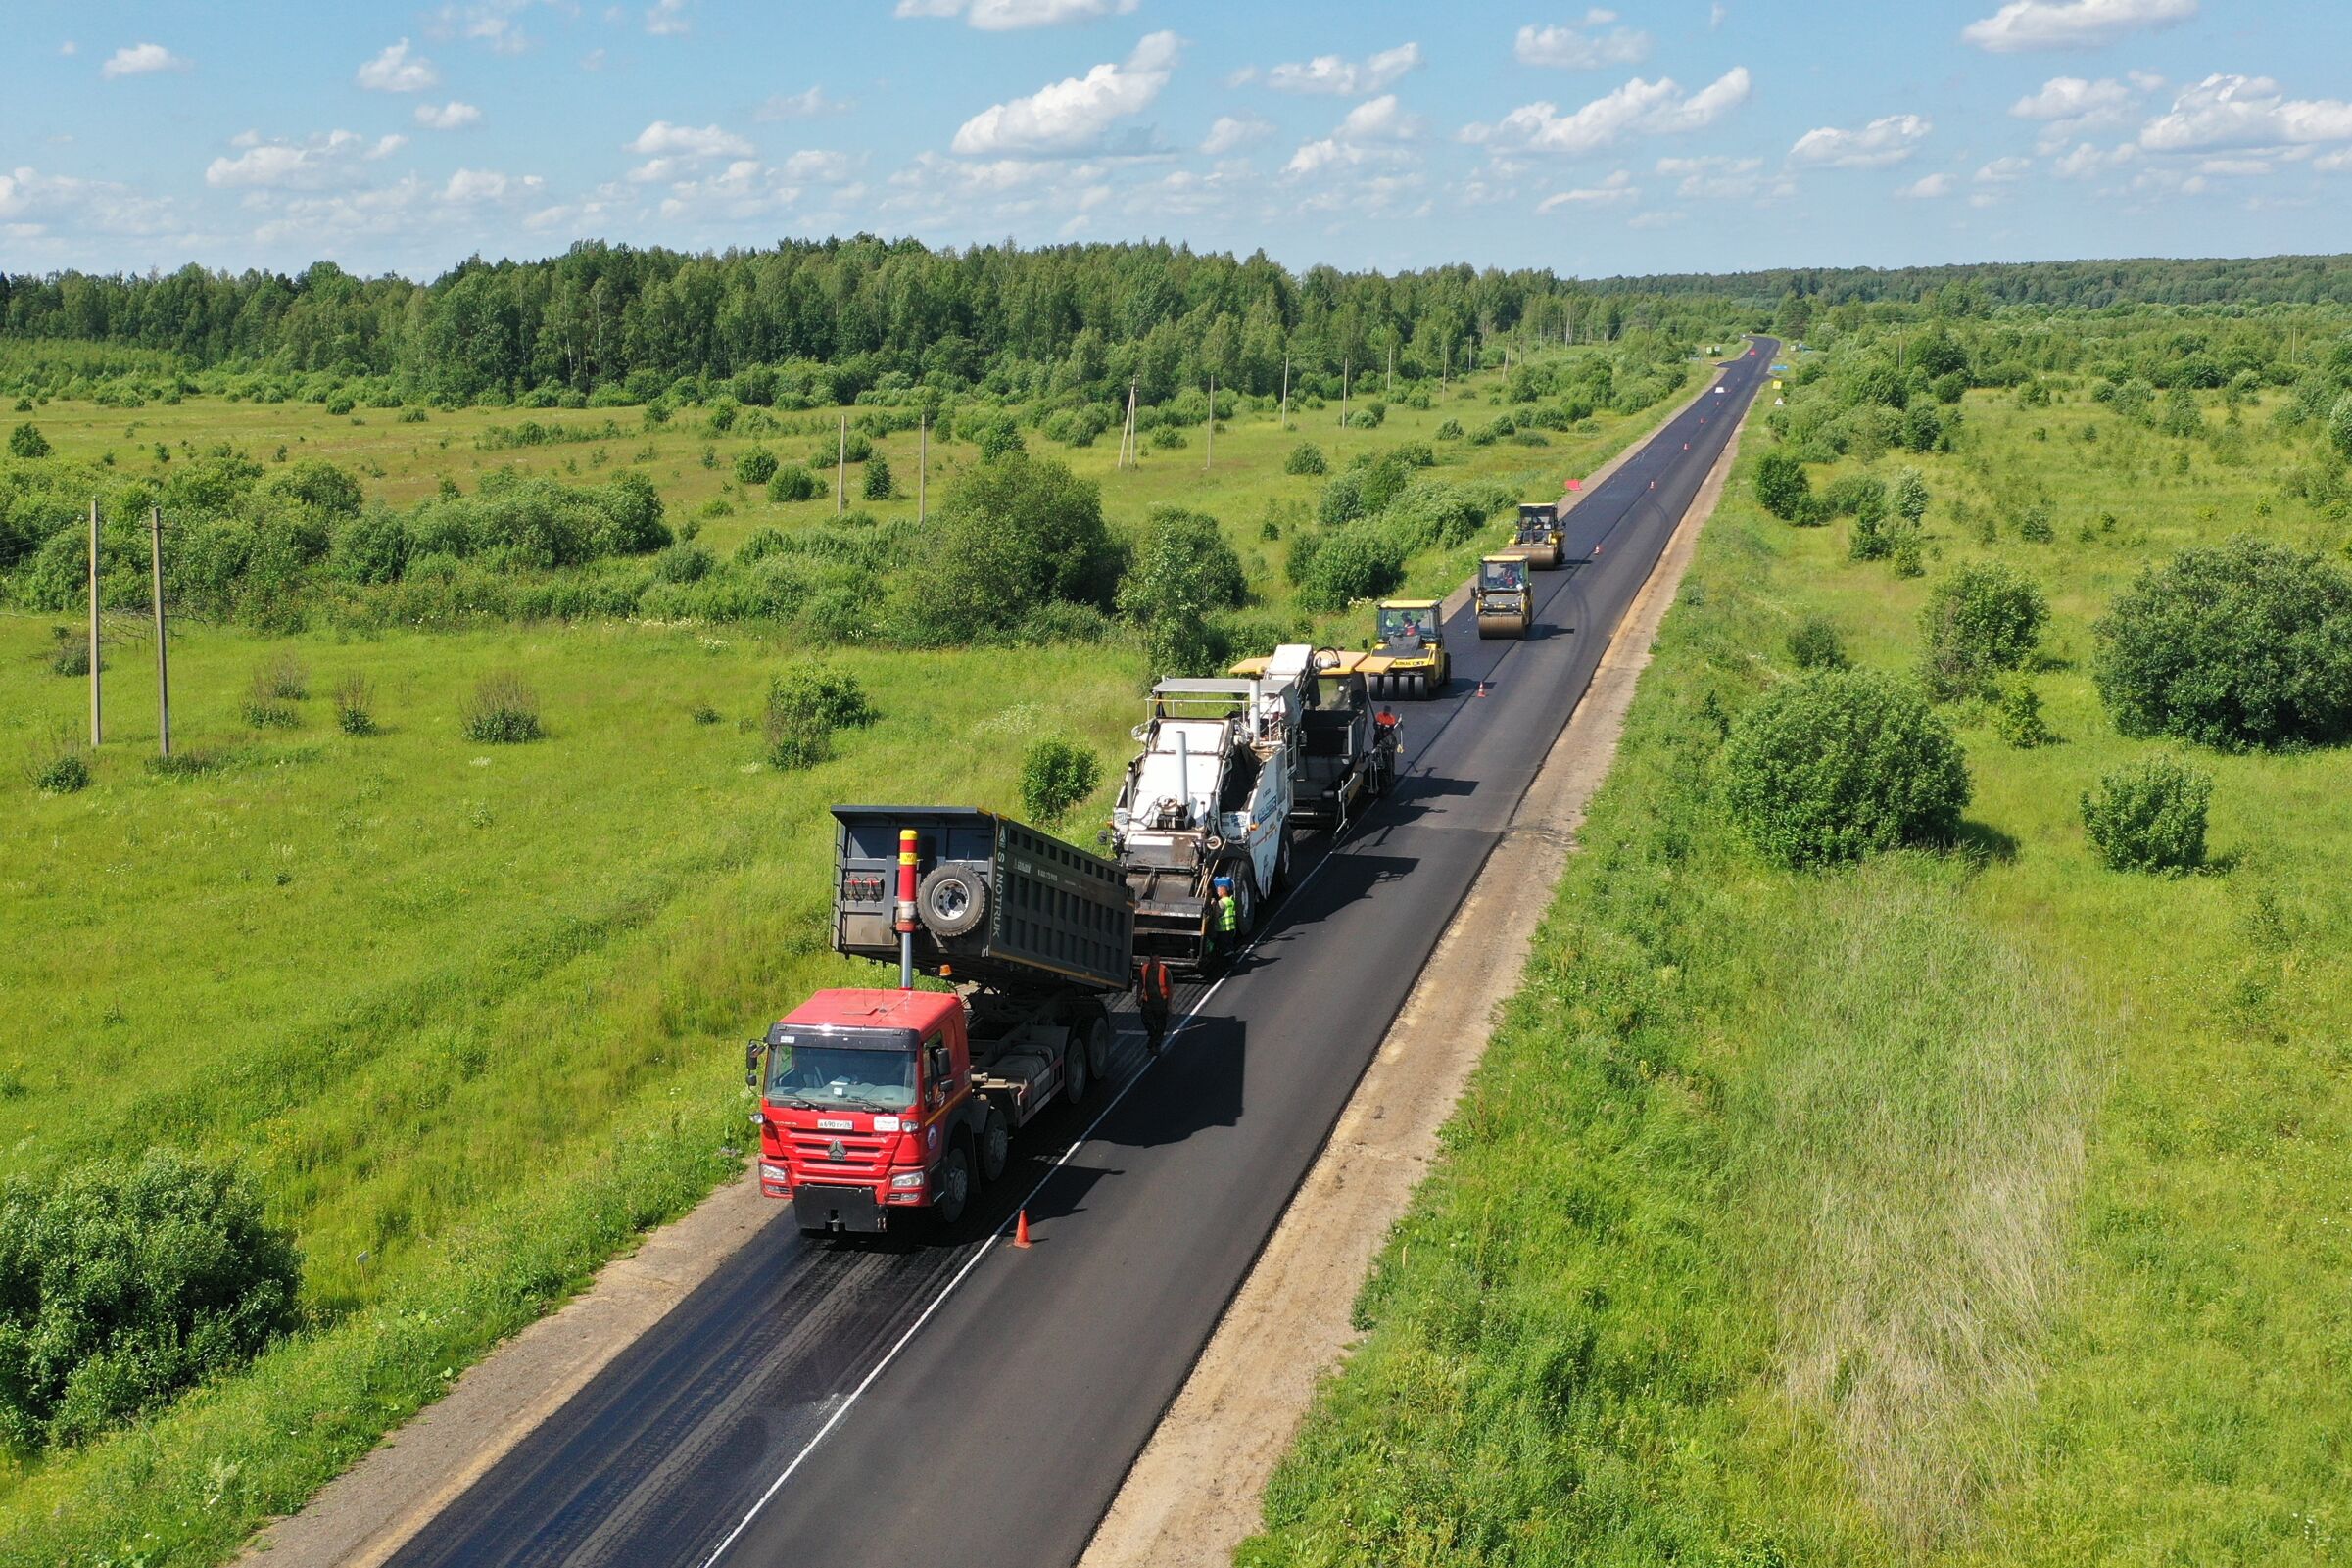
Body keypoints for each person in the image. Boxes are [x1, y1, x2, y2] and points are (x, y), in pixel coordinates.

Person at [1136, 957, 1174, 1055]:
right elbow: (1140, 983)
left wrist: (1169, 1005)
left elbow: (1170, 988)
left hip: (1161, 1002)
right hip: (1148, 1001)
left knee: (1160, 1025)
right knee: (1146, 1020)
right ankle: (1153, 1036)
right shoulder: (1144, 969)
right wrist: (1138, 996)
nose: (1154, 962)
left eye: (1156, 960)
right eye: (1153, 960)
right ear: (1150, 960)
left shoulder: (1165, 971)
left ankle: (1156, 1045)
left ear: (1159, 960)